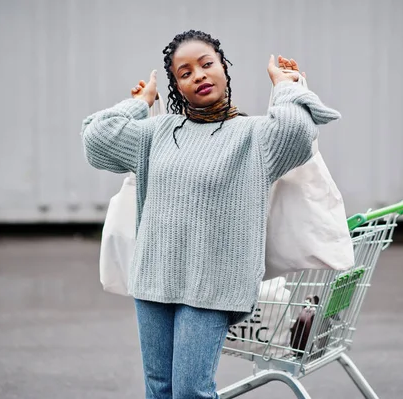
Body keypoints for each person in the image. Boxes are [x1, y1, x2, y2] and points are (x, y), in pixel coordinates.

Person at [80, 29, 340, 399]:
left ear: (223, 69)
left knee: (189, 392)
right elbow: (96, 140)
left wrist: (284, 86)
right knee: (160, 389)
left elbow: (298, 134)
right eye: (185, 73)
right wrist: (139, 102)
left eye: (206, 64)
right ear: (177, 87)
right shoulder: (156, 132)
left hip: (215, 285)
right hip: (155, 276)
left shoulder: (254, 136)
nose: (198, 75)